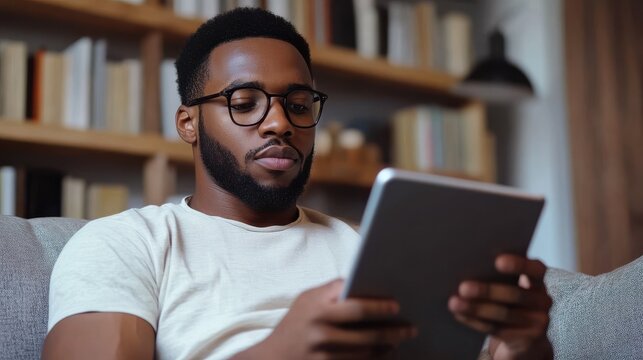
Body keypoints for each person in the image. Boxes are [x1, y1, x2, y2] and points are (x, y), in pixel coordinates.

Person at [43, 8, 552, 360]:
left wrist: (522, 347)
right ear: (188, 124)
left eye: (299, 104)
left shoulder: (363, 247)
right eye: (244, 103)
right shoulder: (125, 244)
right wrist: (277, 351)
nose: (279, 123)